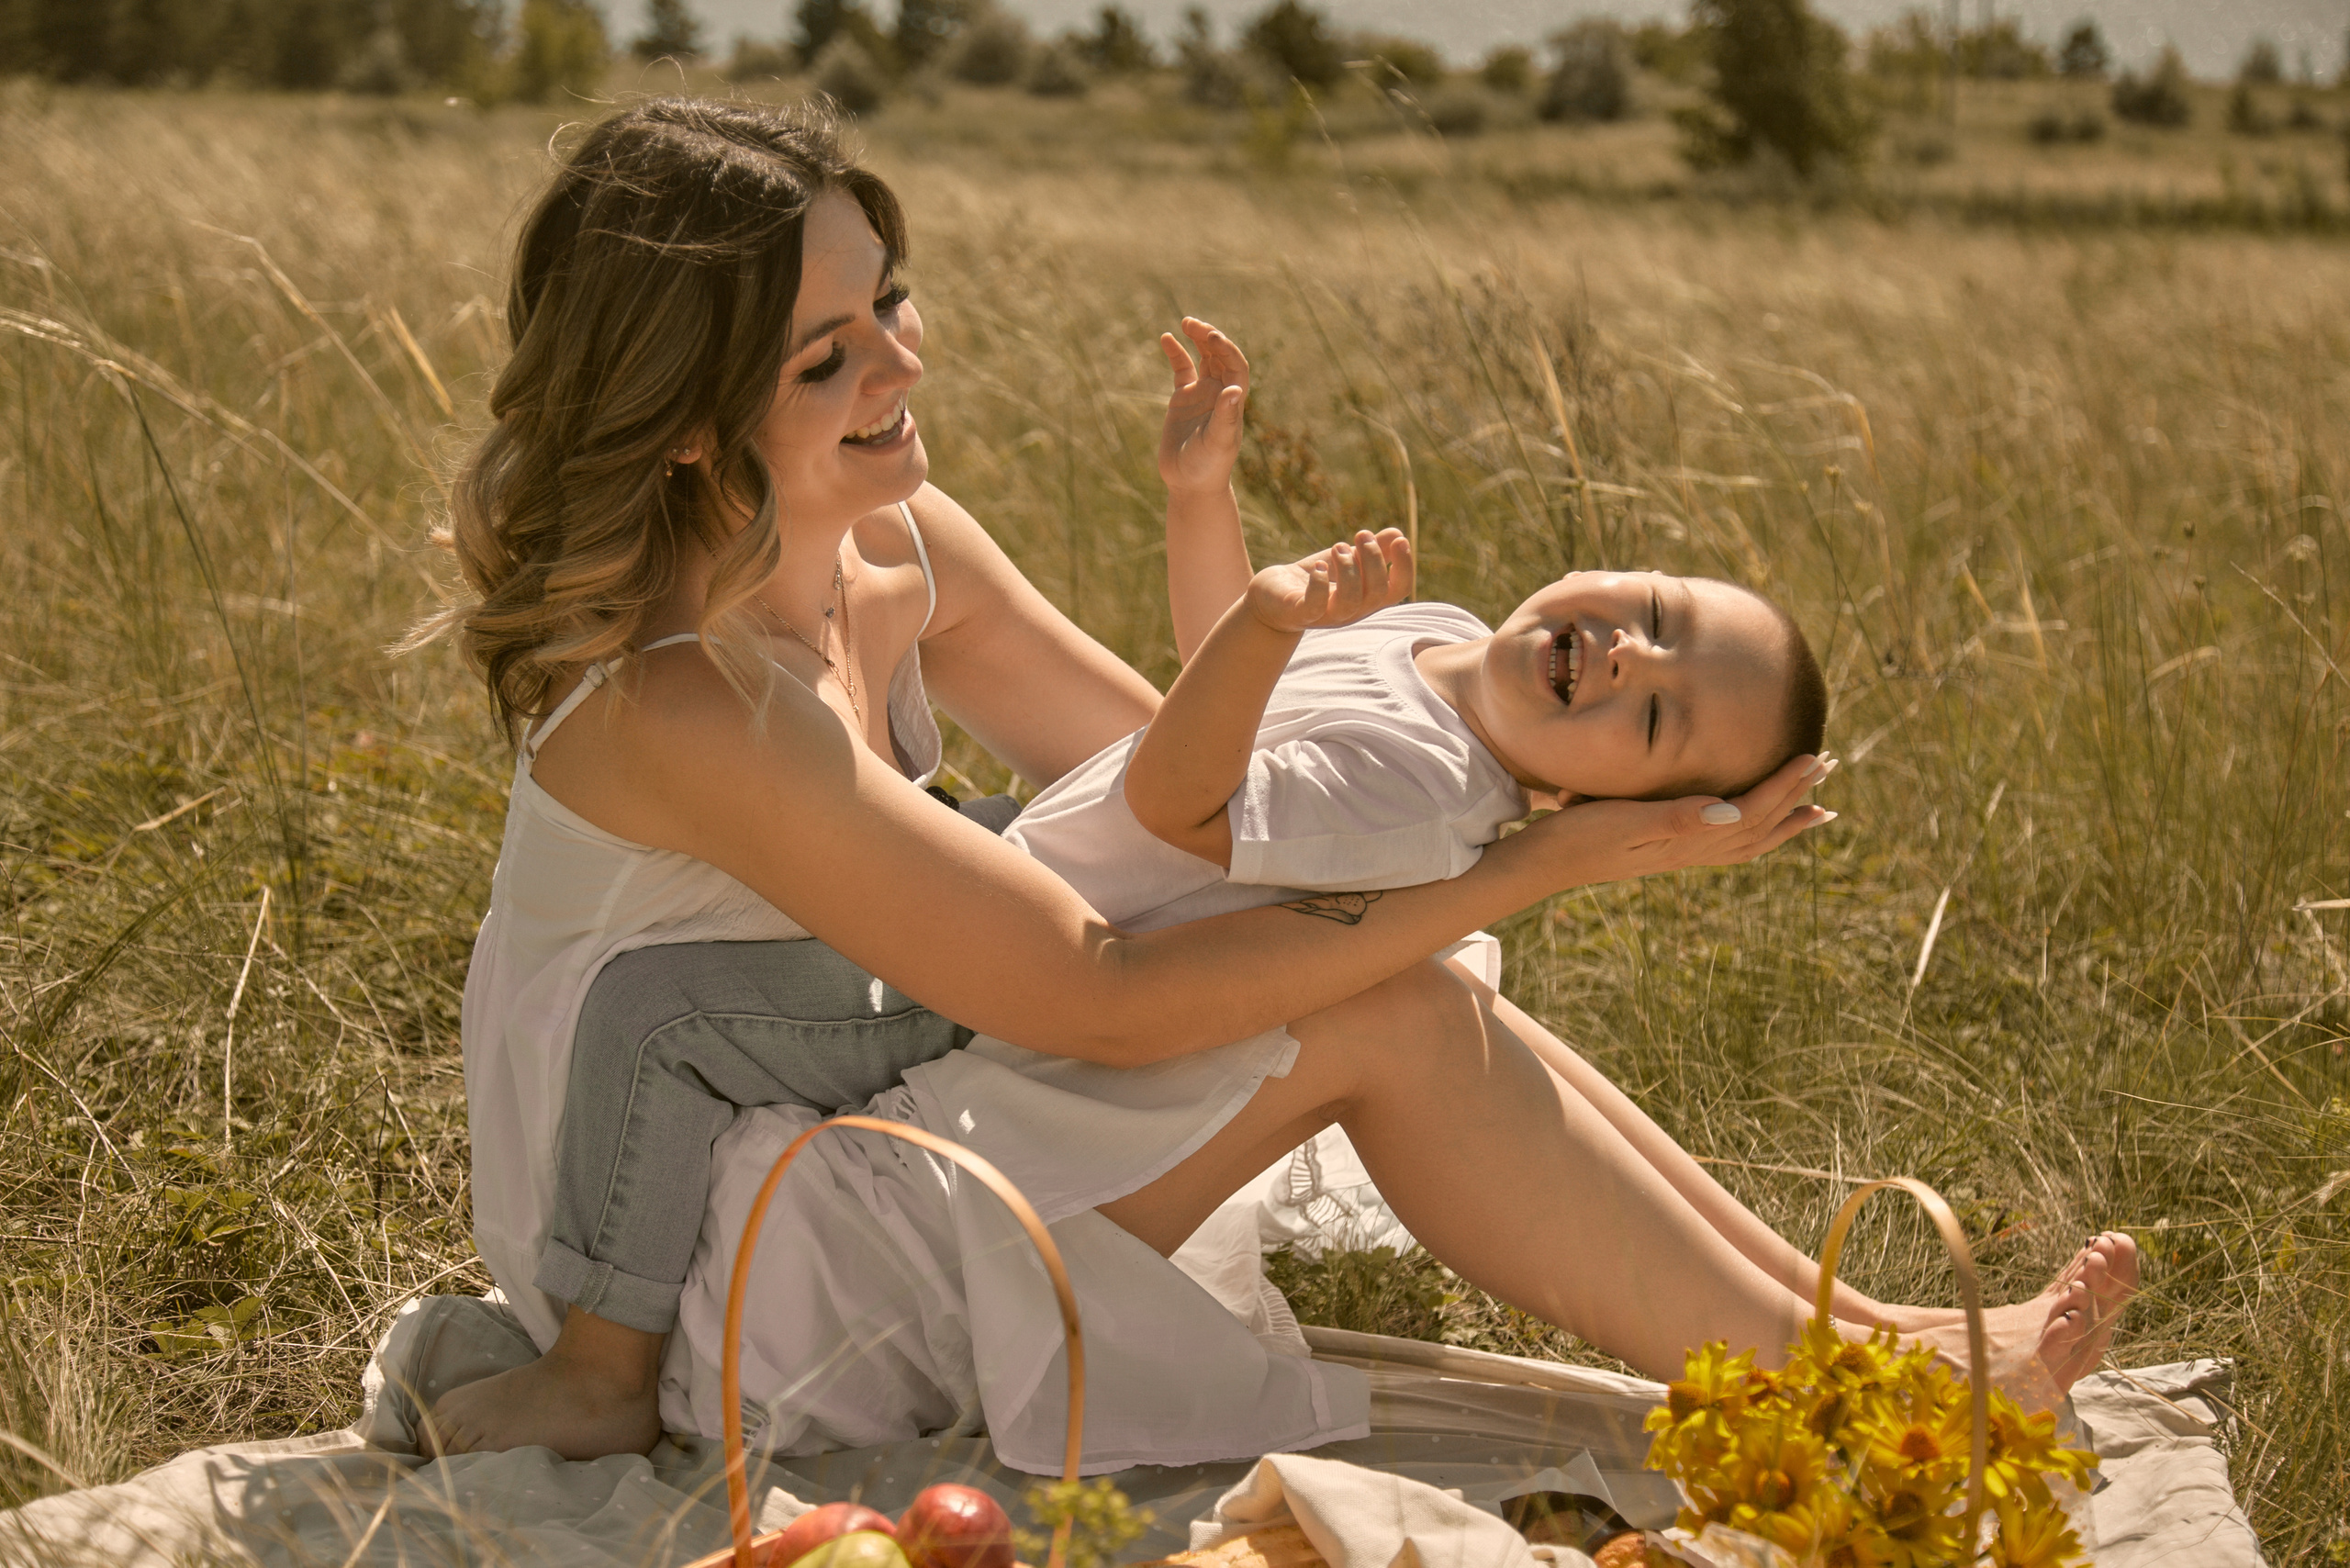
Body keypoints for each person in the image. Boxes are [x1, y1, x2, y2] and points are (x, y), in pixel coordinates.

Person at [418, 98, 2134, 1463]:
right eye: (828, 359)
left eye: (892, 303)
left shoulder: (892, 534)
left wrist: (1450, 770)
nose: (904, 369)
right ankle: (1856, 1398)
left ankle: (1876, 1343)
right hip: (704, 1255)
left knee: (1408, 959)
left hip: (842, 1092)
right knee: (1392, 998)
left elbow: (1150, 783)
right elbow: (1102, 993)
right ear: (693, 427)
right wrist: (1536, 868)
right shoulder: (690, 701)